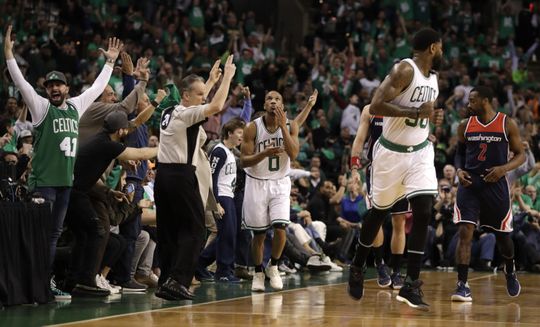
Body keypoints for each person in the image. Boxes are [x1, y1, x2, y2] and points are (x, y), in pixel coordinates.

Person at [4, 25, 122, 300]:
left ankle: (43, 282)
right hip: (44, 185)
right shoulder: (41, 107)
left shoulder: (75, 107)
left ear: (67, 88)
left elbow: (96, 89)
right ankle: (35, 283)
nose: (54, 88)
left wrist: (110, 63)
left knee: (54, 236)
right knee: (42, 236)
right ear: (45, 90)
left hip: (65, 185)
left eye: (59, 84)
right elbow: (20, 82)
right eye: (50, 85)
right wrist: (9, 54)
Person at [347, 27, 444, 311]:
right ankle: (357, 265)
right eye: (441, 47)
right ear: (433, 48)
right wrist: (415, 114)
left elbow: (426, 115)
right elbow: (376, 105)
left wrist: (431, 119)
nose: (443, 52)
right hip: (390, 154)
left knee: (424, 210)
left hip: (421, 153)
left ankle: (411, 283)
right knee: (378, 214)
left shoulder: (435, 80)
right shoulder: (404, 69)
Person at [154, 55, 236, 301]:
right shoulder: (186, 114)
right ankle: (179, 281)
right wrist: (228, 78)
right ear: (186, 96)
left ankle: (166, 280)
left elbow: (199, 100)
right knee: (195, 229)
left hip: (163, 177)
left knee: (169, 231)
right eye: (199, 94)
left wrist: (210, 81)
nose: (204, 97)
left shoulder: (171, 111)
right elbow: (215, 107)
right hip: (180, 176)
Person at [64, 110, 161, 297]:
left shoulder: (100, 140)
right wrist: (164, 148)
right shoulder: (106, 144)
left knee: (85, 236)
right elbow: (140, 153)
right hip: (76, 193)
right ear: (121, 131)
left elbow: (89, 174)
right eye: (125, 129)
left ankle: (74, 281)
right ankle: (87, 281)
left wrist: (108, 191)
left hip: (76, 191)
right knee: (97, 231)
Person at [452, 86, 525, 302]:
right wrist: (458, 170)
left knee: (503, 238)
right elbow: (459, 153)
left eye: (472, 101)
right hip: (470, 184)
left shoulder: (506, 123)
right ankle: (462, 284)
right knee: (465, 231)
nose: (468, 105)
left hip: (496, 186)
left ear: (485, 101)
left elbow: (520, 154)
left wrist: (503, 169)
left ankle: (509, 269)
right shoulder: (465, 125)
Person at [241, 90, 300, 292]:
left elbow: (293, 154)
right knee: (259, 236)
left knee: (281, 229)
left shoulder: (291, 125)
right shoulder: (252, 128)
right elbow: (244, 161)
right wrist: (263, 153)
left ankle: (273, 266)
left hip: (280, 182)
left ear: (282, 106)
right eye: (269, 98)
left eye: (277, 99)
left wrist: (283, 126)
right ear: (264, 105)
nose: (273, 101)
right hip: (256, 182)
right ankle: (258, 272)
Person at [350, 104, 408, 290]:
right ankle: (380, 263)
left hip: (402, 167)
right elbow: (359, 139)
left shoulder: (406, 106)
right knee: (377, 218)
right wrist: (353, 167)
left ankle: (397, 270)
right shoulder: (370, 109)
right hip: (379, 169)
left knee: (399, 220)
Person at [197, 118, 245, 282]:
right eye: (239, 133)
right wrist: (215, 202)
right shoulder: (219, 151)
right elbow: (212, 177)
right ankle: (224, 271)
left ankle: (199, 264)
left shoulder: (230, 152)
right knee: (227, 235)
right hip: (222, 196)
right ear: (229, 133)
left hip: (229, 196)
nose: (242, 137)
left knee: (227, 234)